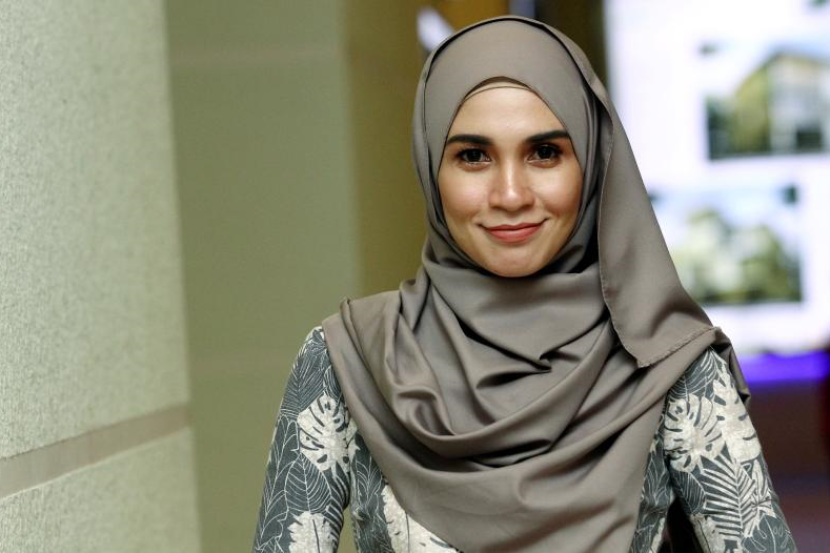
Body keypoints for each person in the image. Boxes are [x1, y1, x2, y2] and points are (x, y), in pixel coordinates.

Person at [252, 16, 797, 553]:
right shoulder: (348, 361)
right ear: (430, 167)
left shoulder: (668, 363)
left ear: (590, 162)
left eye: (544, 153)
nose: (511, 195)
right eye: (473, 156)